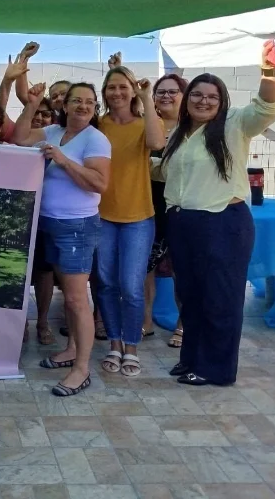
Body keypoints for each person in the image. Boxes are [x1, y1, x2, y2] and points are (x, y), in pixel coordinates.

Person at [161, 44, 275, 386]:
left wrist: (268, 73)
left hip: (222, 223)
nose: (203, 101)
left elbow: (267, 107)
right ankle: (192, 359)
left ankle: (216, 369)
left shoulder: (235, 124)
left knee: (220, 299)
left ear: (222, 100)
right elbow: (169, 174)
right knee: (191, 297)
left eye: (212, 97)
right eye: (197, 95)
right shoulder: (180, 133)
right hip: (183, 224)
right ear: (187, 99)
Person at [12, 82, 111, 396]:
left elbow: (100, 183)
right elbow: (19, 138)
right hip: (49, 223)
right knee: (68, 295)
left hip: (76, 226)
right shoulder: (53, 131)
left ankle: (82, 370)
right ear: (64, 105)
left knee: (77, 299)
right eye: (77, 101)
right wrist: (31, 104)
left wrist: (64, 160)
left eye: (90, 102)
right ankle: (71, 350)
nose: (83, 106)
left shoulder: (96, 139)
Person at [96, 66, 165, 378]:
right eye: (111, 87)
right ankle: (114, 343)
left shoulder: (145, 122)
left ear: (132, 89)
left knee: (132, 287)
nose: (117, 92)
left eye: (123, 87)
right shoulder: (98, 125)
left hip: (138, 217)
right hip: (102, 217)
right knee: (106, 284)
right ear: (104, 92)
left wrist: (146, 97)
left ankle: (132, 347)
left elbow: (157, 142)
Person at [143, 73, 188, 347]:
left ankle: (183, 325)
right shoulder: (148, 124)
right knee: (145, 266)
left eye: (173, 91)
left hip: (181, 207)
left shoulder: (193, 129)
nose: (166, 96)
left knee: (181, 270)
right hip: (148, 205)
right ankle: (145, 321)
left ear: (184, 96)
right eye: (161, 91)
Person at [25, 94, 56, 345]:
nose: (39, 118)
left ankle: (43, 322)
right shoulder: (16, 139)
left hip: (47, 214)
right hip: (19, 214)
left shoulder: (59, 143)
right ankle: (21, 321)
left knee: (45, 271)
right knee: (20, 270)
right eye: (35, 113)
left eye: (46, 114)